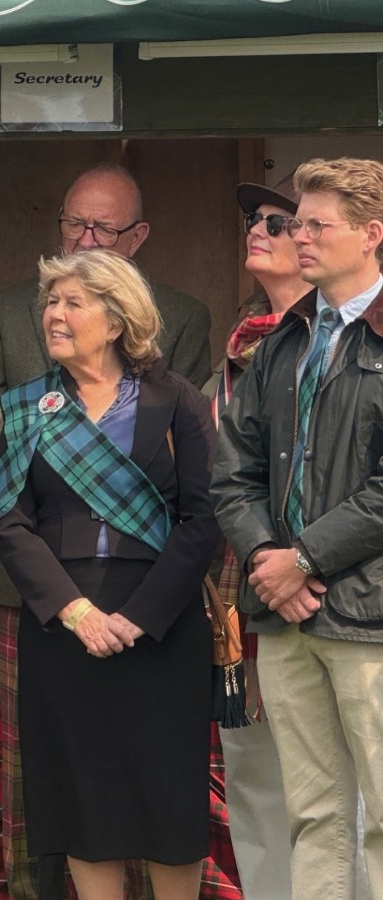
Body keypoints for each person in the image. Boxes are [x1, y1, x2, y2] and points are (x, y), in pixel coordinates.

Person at [0, 162, 212, 900]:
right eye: (50, 304)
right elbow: (8, 518)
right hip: (62, 625)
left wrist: (136, 617)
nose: (53, 317)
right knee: (81, 803)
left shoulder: (180, 402)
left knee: (165, 802)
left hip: (158, 623)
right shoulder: (31, 405)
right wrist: (75, 612)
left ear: (119, 315)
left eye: (72, 303)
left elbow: (202, 520)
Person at [213, 157, 383, 900]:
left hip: (370, 617)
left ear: (372, 234)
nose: (298, 236)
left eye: (317, 224)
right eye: (296, 223)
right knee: (311, 816)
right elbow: (232, 470)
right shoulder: (282, 340)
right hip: (285, 617)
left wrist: (304, 559)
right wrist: (266, 560)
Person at [210, 174, 307, 900]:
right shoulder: (241, 342)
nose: (260, 228)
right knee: (254, 780)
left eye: (278, 221)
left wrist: (300, 561)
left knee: (339, 791)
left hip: (328, 591)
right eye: (254, 217)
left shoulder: (355, 338)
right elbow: (226, 473)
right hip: (240, 596)